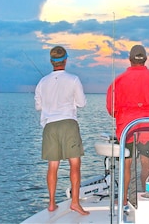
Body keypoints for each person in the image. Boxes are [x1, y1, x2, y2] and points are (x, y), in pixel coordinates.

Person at [106, 44, 149, 205]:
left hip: (127, 126)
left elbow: (111, 108)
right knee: (146, 162)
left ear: (130, 59)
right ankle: (148, 198)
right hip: (148, 126)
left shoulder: (118, 80)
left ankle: (124, 199)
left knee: (126, 163)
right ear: (145, 59)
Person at [34, 46, 89, 215]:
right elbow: (81, 103)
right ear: (66, 60)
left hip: (50, 126)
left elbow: (38, 106)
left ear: (52, 61)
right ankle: (75, 202)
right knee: (75, 164)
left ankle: (51, 203)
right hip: (68, 124)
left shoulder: (42, 82)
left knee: (53, 166)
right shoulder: (73, 79)